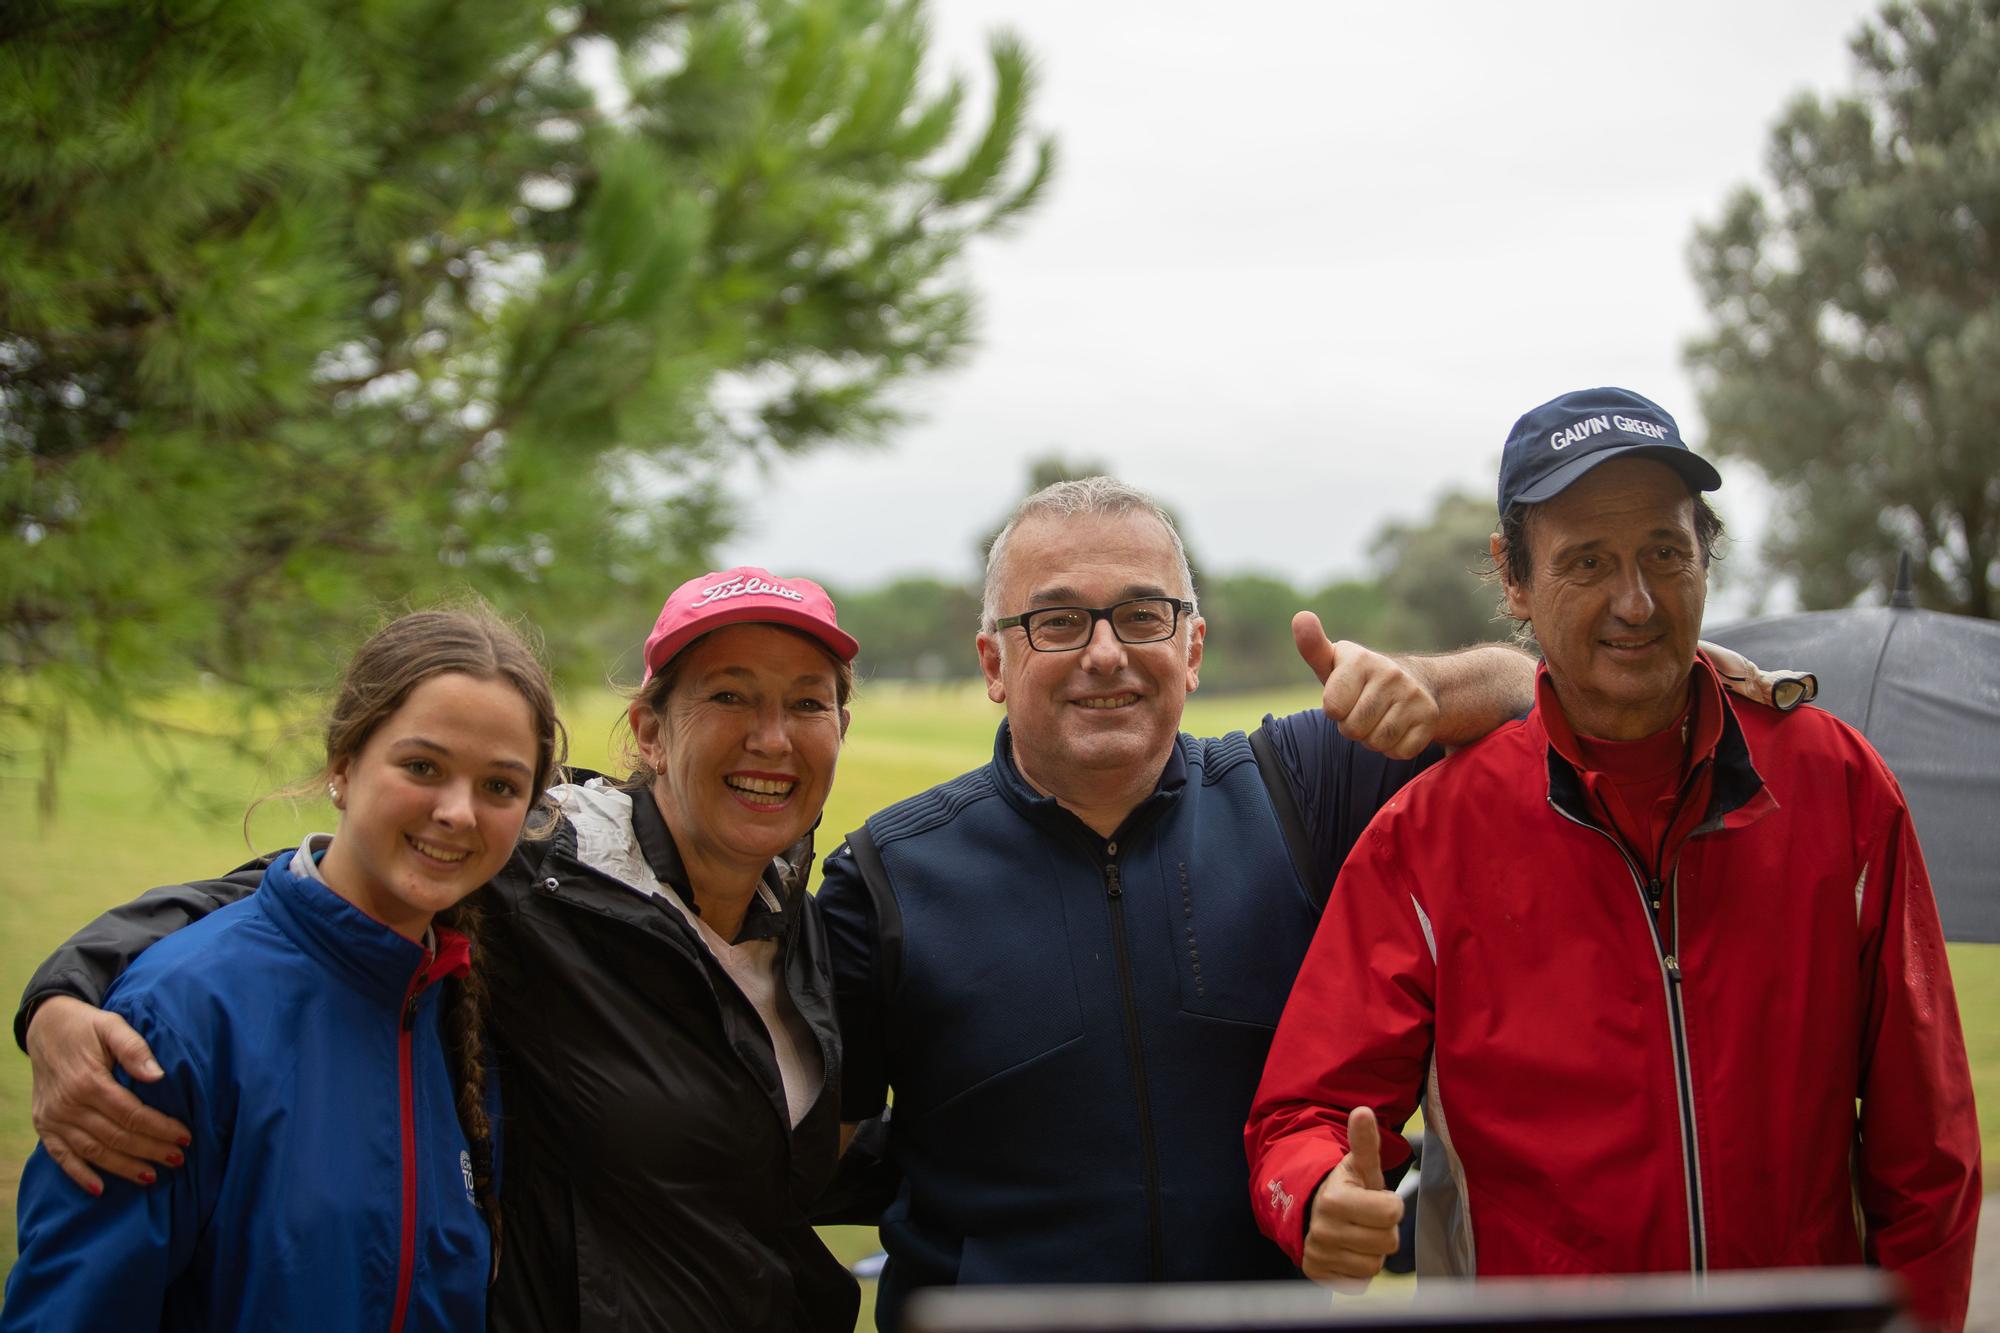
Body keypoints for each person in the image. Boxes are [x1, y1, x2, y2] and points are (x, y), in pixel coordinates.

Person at [1243, 388, 1982, 1329]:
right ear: (1514, 579)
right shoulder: (1428, 838)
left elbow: (1932, 1155)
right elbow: (1299, 1114)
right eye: (1587, 562)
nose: (1634, 601)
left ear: (1704, 559)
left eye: (1664, 554)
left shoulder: (1840, 787)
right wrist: (1312, 1194)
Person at [14, 568, 865, 1332]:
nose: (772, 737)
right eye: (729, 696)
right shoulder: (536, 874)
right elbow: (300, 898)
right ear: (649, 730)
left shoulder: (802, 920)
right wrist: (65, 990)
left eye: (806, 702)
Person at [815, 476, 1541, 1329]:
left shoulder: (1302, 788)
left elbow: (1525, 691)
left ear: (1192, 648)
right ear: (992, 664)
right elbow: (799, 1159)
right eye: (1056, 621)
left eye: (1142, 615)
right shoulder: (888, 875)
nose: (1105, 652)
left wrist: (1423, 684)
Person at [2, 607, 564, 1331]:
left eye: (500, 787)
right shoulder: (175, 1015)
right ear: (343, 764)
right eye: (422, 766)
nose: (458, 811)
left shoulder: (468, 1012)